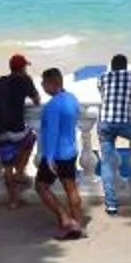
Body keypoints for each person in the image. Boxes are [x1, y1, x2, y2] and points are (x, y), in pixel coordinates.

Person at [0, 52, 41, 209]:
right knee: (31, 137)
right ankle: (20, 172)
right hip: (17, 129)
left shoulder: (1, 81)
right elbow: (37, 100)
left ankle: (13, 201)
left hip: (1, 130)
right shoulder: (25, 80)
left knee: (7, 166)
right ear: (22, 68)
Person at [36, 66, 88, 239]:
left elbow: (52, 133)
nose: (42, 86)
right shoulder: (72, 99)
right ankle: (78, 224)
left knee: (41, 187)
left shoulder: (52, 106)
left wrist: (49, 158)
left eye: (44, 82)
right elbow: (78, 114)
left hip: (56, 154)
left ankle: (65, 218)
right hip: (70, 150)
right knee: (71, 188)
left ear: (52, 83)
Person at [97, 51, 131, 214]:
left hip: (104, 123)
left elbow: (104, 96)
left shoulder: (102, 77)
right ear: (125, 66)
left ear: (112, 67)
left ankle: (111, 204)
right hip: (122, 122)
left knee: (107, 163)